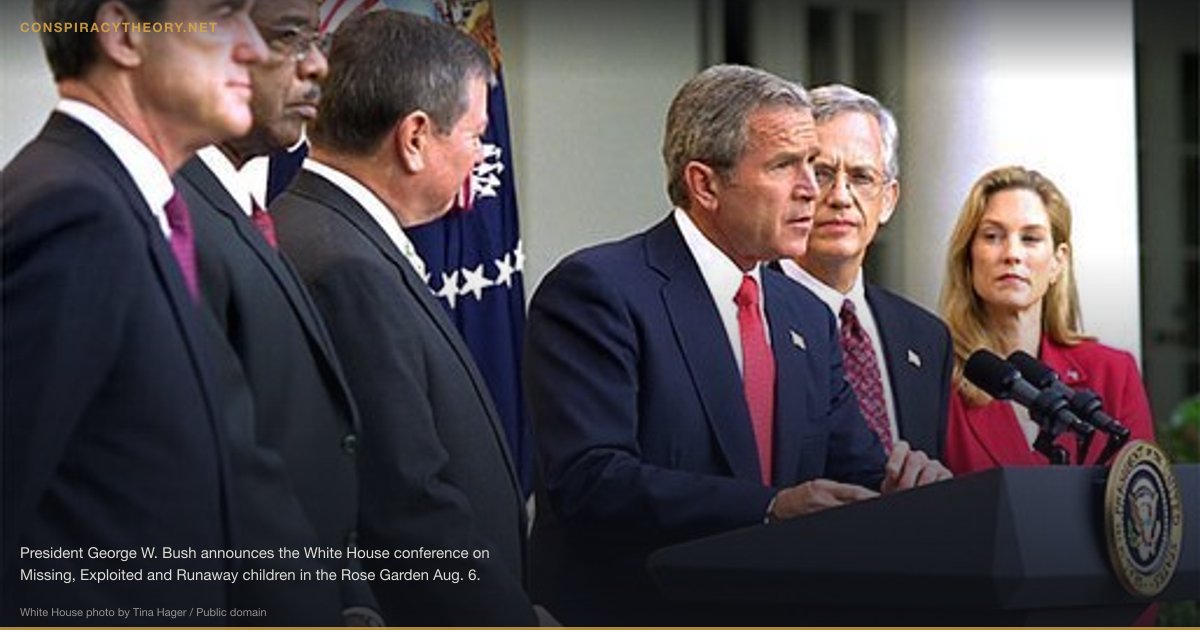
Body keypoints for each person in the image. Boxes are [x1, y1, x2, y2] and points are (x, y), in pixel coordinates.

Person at [523, 64, 951, 626]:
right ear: (705, 184)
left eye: (811, 166)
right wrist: (769, 508)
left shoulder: (806, 314)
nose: (812, 189)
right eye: (785, 166)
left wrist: (904, 487)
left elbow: (854, 467)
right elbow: (592, 479)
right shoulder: (598, 291)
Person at [1, 0, 265, 624]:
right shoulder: (72, 211)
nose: (253, 45)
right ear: (123, 34)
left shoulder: (125, 205)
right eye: (224, 13)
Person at [270, 11, 538, 625]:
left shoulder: (327, 232)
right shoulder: (346, 266)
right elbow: (404, 501)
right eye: (474, 136)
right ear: (415, 137)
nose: (478, 159)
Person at [172, 1, 374, 624]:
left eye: (317, 40)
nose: (317, 67)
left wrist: (353, 600)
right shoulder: (171, 220)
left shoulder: (252, 215)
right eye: (288, 38)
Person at [939, 165, 1155, 474]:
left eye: (1030, 238)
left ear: (1058, 262)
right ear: (968, 258)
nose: (1012, 254)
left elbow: (1140, 505)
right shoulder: (938, 380)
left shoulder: (1113, 373)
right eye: (992, 236)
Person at [778, 84, 952, 459]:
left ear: (888, 200)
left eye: (860, 177)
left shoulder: (927, 338)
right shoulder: (751, 313)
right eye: (822, 173)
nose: (841, 196)